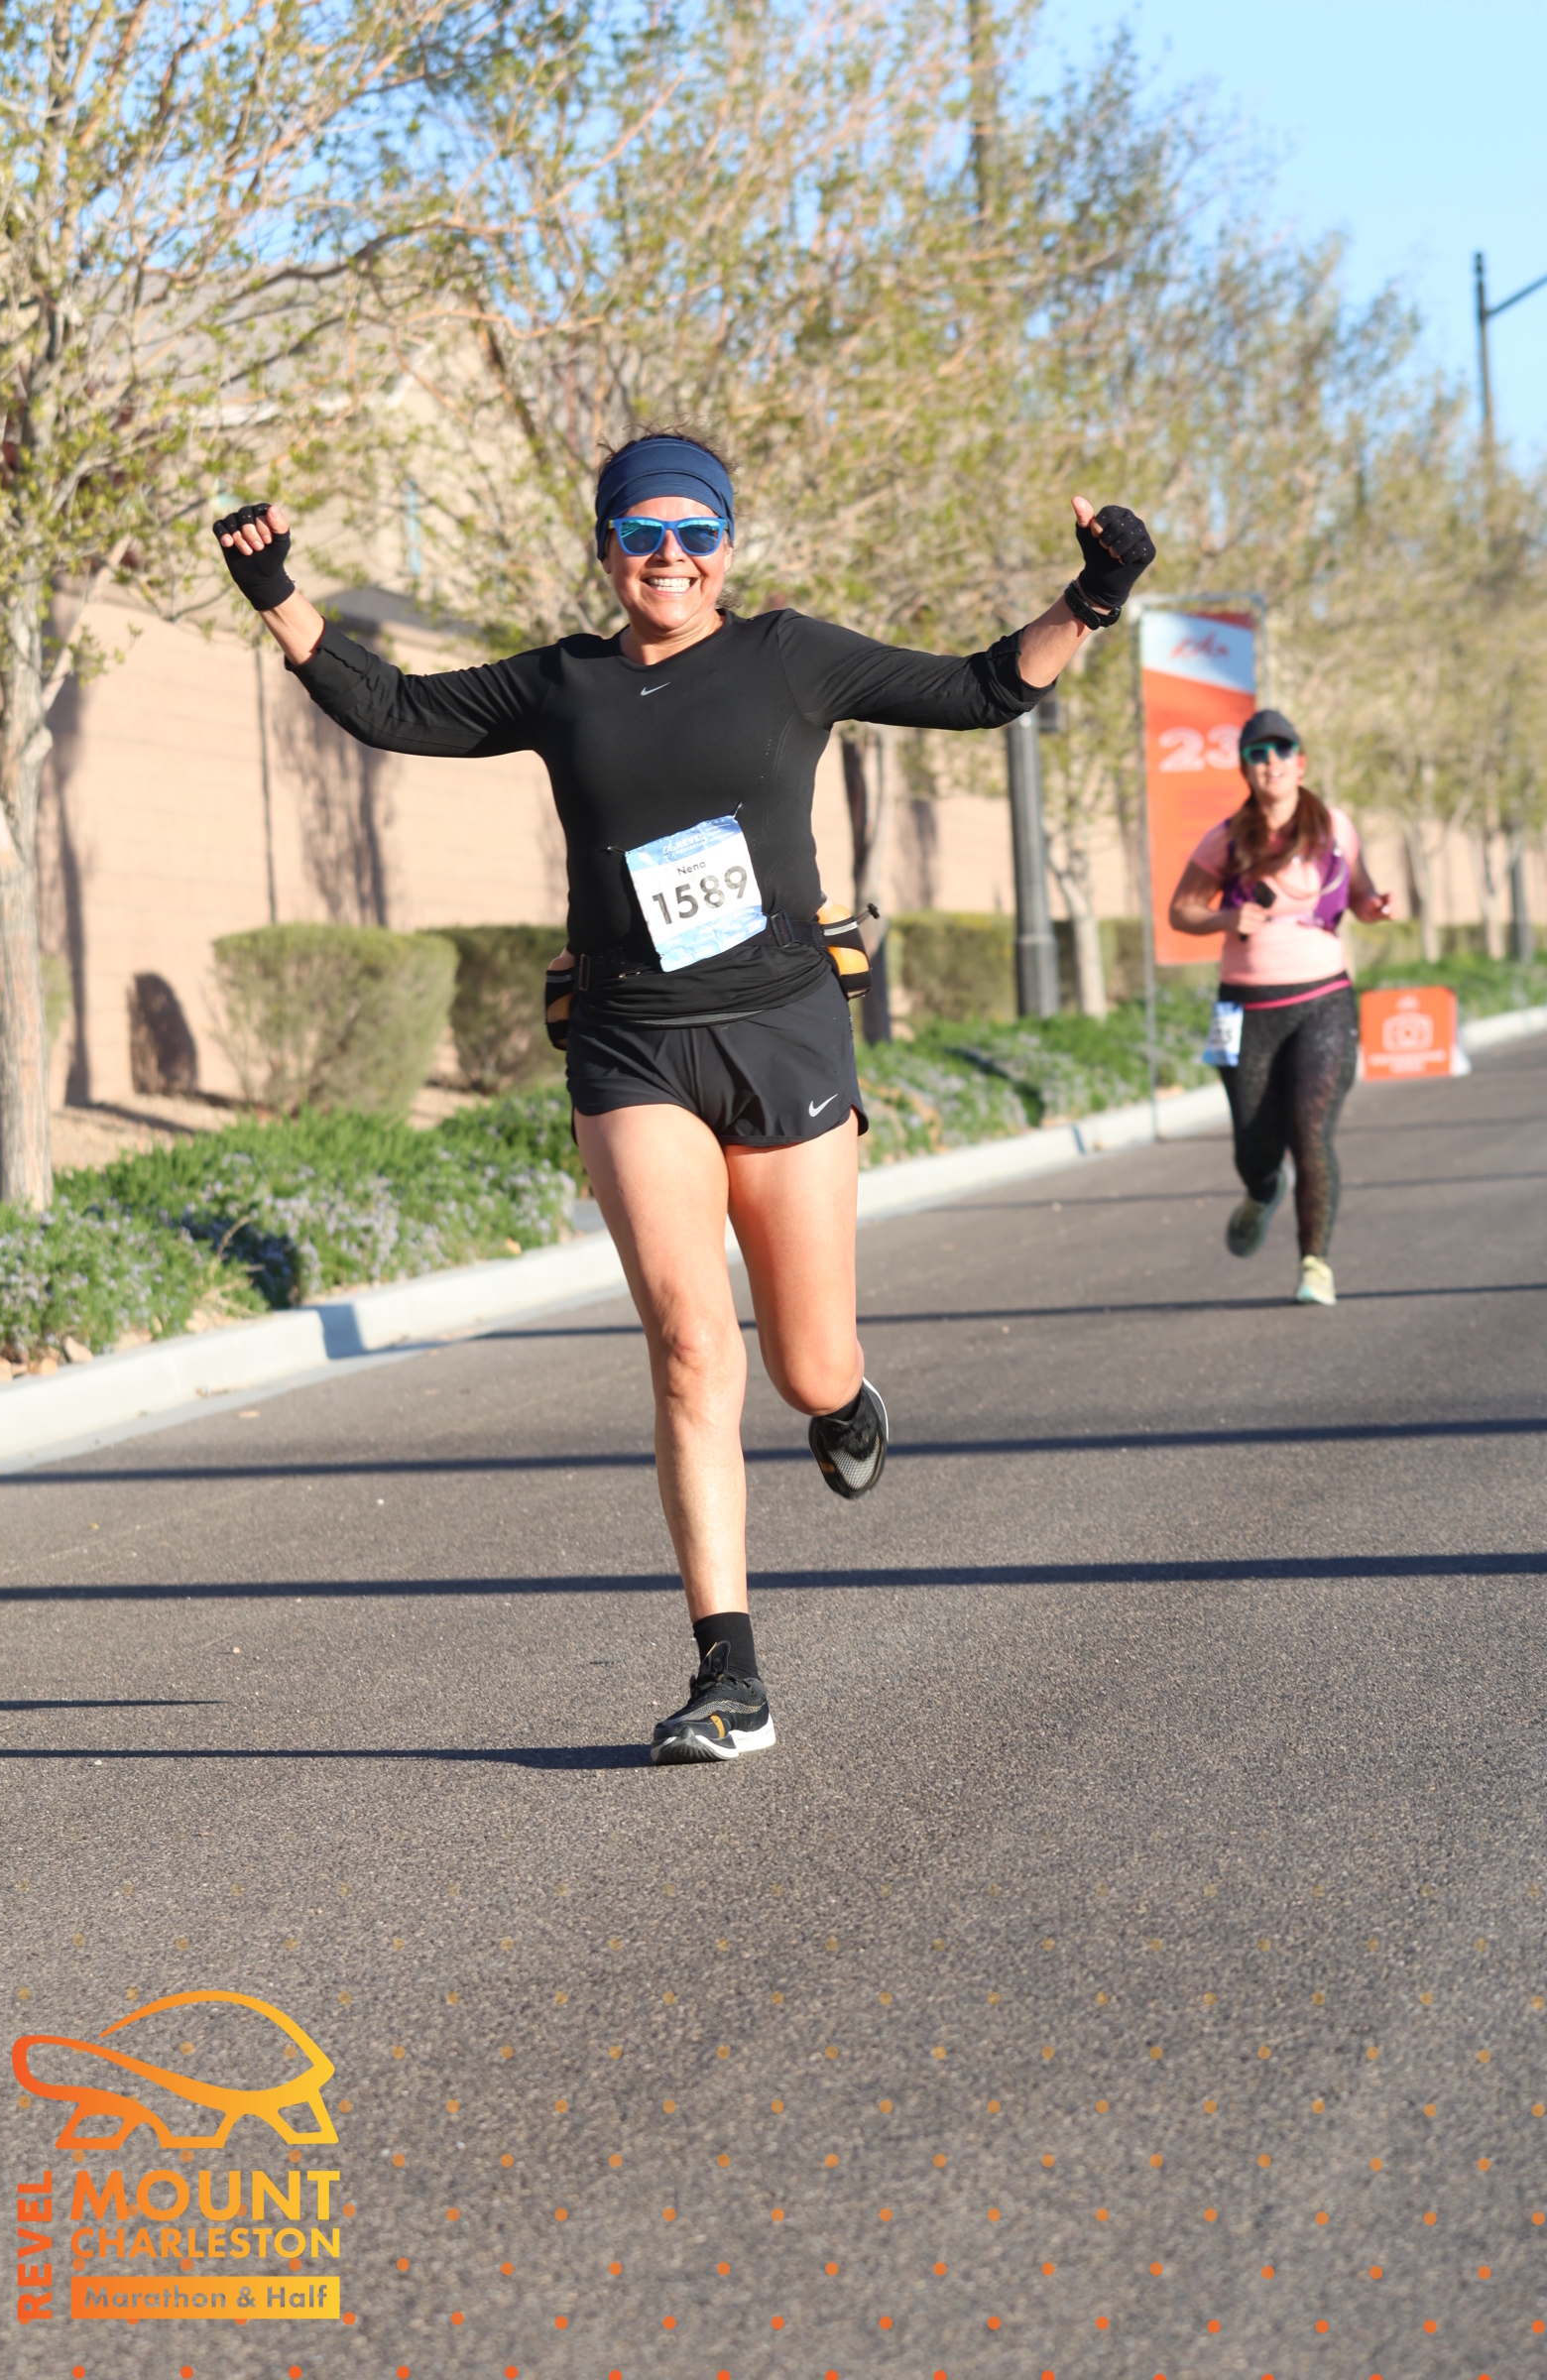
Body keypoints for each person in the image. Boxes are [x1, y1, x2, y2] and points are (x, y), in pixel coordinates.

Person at [214, 432, 1156, 1760]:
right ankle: (730, 1674)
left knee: (805, 1363)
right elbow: (396, 712)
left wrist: (1096, 594)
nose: (670, 557)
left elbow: (982, 688)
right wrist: (276, 594)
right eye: (642, 534)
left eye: (695, 534)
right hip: (629, 1041)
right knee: (691, 1345)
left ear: (727, 546)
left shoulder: (788, 658)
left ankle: (843, 1398)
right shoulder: (565, 683)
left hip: (781, 1031)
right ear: (606, 547)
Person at [1168, 709, 1391, 1306]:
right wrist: (1225, 917)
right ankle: (1262, 1190)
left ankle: (1315, 1262)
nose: (1271, 762)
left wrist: (1373, 907)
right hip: (1243, 1008)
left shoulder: (1336, 828)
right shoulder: (1225, 839)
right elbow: (1181, 911)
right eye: (1258, 753)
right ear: (1245, 768)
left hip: (1323, 999)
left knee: (1310, 1131)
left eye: (1282, 750)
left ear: (1301, 762)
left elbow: (1361, 892)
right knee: (1254, 1144)